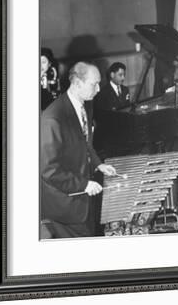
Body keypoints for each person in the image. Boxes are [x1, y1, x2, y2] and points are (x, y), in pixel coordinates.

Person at [40, 62, 116, 238]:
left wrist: (98, 164)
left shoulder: (85, 104)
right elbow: (48, 170)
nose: (98, 89)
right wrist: (84, 185)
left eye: (99, 83)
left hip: (83, 198)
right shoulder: (53, 119)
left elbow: (84, 141)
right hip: (65, 203)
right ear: (77, 83)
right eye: (94, 84)